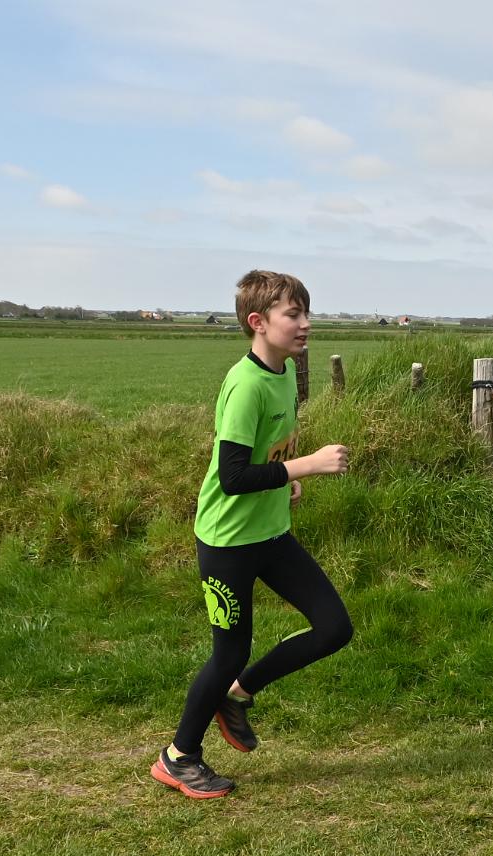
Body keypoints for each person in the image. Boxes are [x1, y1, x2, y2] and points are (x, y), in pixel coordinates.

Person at [150, 269, 353, 799]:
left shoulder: (284, 372)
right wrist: (307, 466)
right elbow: (233, 476)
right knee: (229, 653)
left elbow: (263, 458)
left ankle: (237, 696)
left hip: (270, 534)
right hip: (228, 541)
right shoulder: (246, 385)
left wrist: (284, 479)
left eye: (307, 313)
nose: (305, 324)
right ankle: (178, 757)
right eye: (294, 314)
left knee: (334, 628)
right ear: (259, 322)